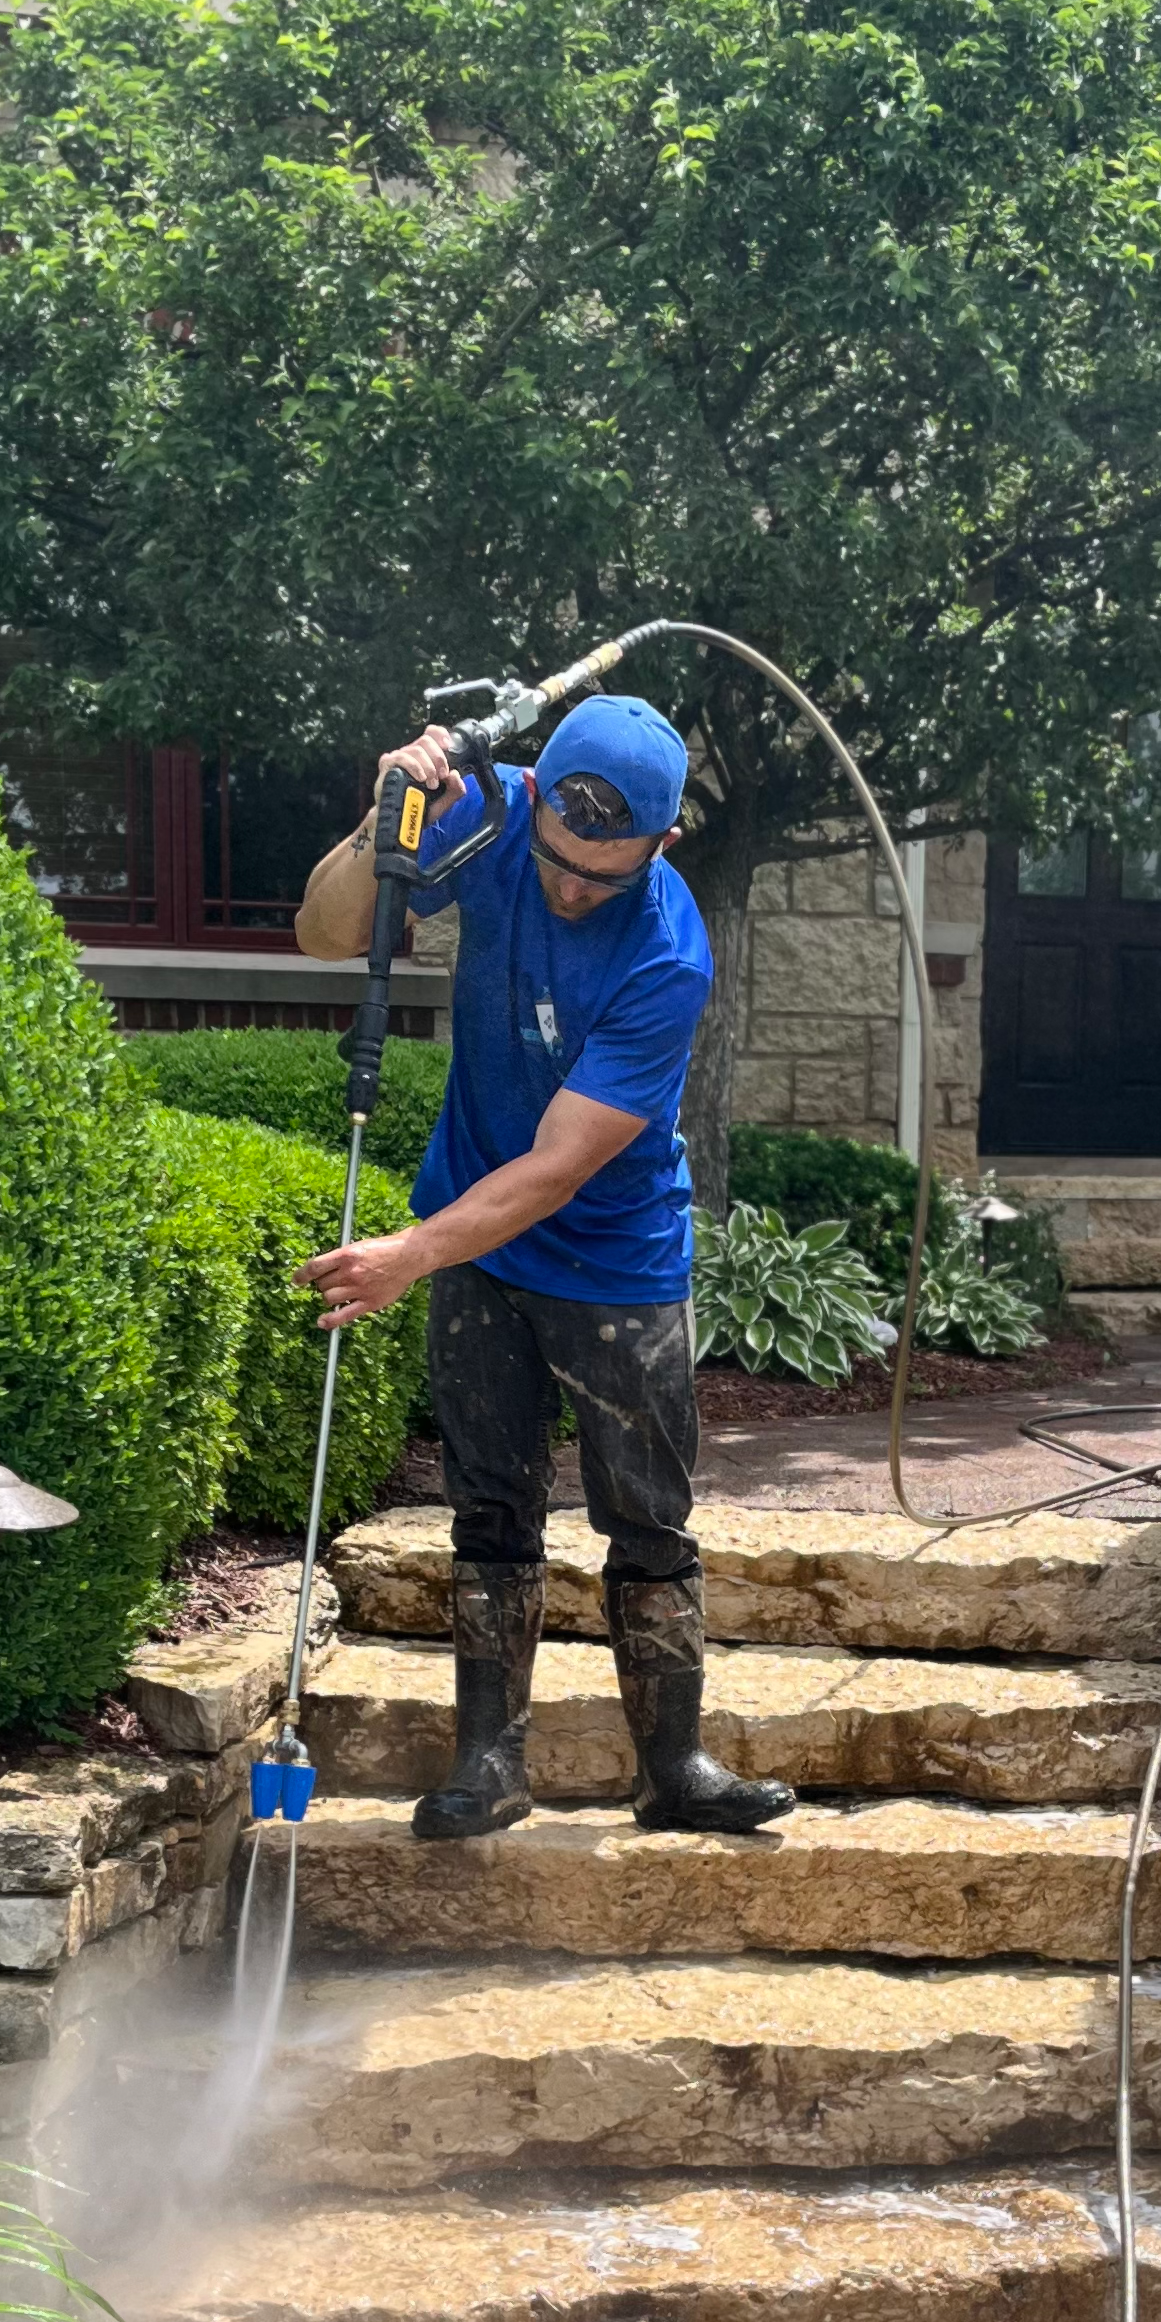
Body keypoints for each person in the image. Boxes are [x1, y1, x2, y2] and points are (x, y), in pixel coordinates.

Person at [291, 694, 795, 1848]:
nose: (570, 889)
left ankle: (672, 1767)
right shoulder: (489, 812)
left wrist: (407, 1255)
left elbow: (559, 1167)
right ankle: (489, 1763)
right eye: (560, 864)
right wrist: (385, 820)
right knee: (490, 1508)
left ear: (662, 845)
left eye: (601, 878)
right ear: (537, 807)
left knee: (649, 1523)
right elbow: (324, 934)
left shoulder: (669, 953)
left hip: (614, 1258)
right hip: (477, 1239)